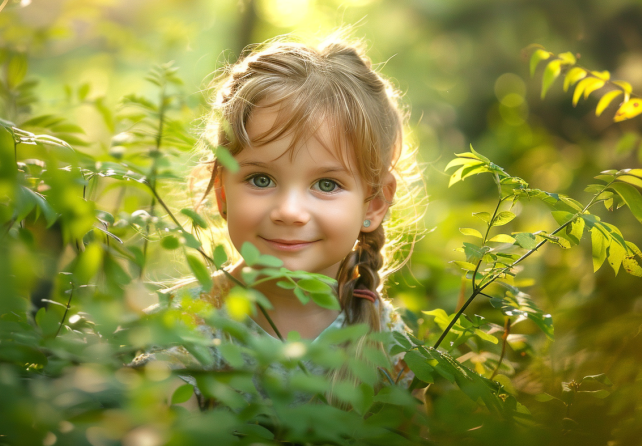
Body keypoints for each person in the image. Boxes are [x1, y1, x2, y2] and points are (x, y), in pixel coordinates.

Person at [130, 30, 425, 408]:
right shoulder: (186, 321)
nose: (289, 211)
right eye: (261, 179)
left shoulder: (390, 343)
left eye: (326, 183)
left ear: (374, 204)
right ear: (222, 192)